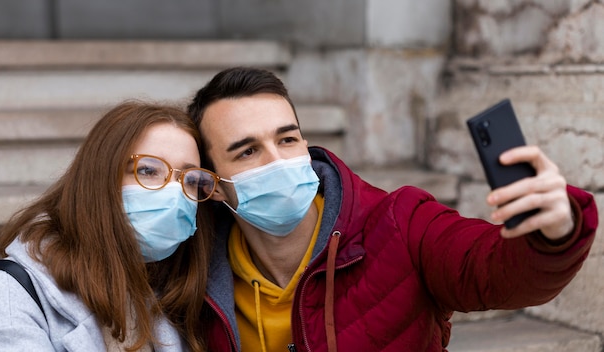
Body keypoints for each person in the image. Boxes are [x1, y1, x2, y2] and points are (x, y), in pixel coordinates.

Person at [185, 66, 598, 352]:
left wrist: (553, 231)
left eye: (288, 139)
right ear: (214, 187)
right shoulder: (194, 273)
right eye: (248, 151)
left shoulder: (401, 221)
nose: (277, 161)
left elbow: (494, 272)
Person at [0, 101, 219, 352]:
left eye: (189, 179)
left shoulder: (183, 293)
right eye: (148, 170)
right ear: (100, 180)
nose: (174, 193)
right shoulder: (6, 290)